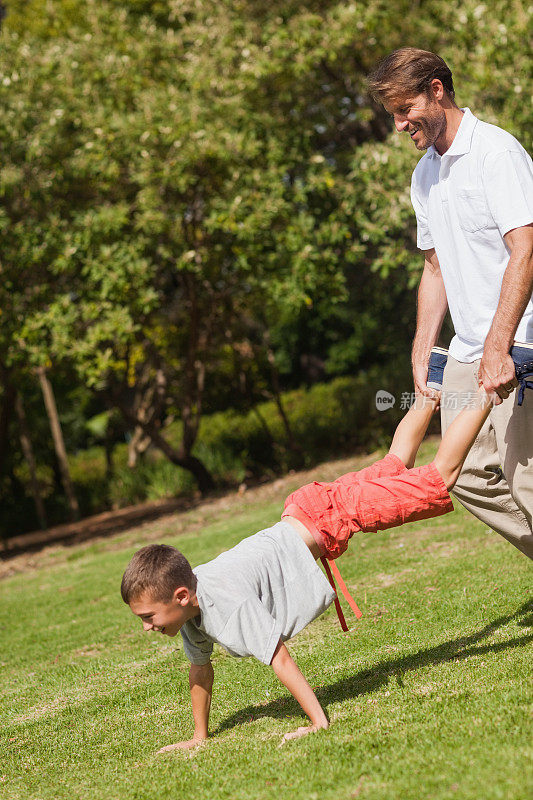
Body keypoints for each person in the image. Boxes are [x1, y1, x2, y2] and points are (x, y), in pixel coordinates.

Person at [122, 369, 494, 751]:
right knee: (395, 463)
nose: (147, 628)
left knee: (439, 477)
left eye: (148, 617)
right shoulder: (191, 604)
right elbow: (200, 669)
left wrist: (318, 721)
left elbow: (279, 658)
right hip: (309, 510)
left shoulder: (224, 604)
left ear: (181, 596)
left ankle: (490, 385)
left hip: (334, 514)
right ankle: (432, 381)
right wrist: (199, 738)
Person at [367, 48, 533, 558]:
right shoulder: (425, 176)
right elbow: (434, 268)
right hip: (466, 349)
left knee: (524, 480)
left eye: (404, 109)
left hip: (521, 340)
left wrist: (500, 345)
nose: (398, 125)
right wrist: (422, 347)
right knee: (462, 476)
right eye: (392, 114)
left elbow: (525, 248)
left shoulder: (496, 154)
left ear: (436, 90)